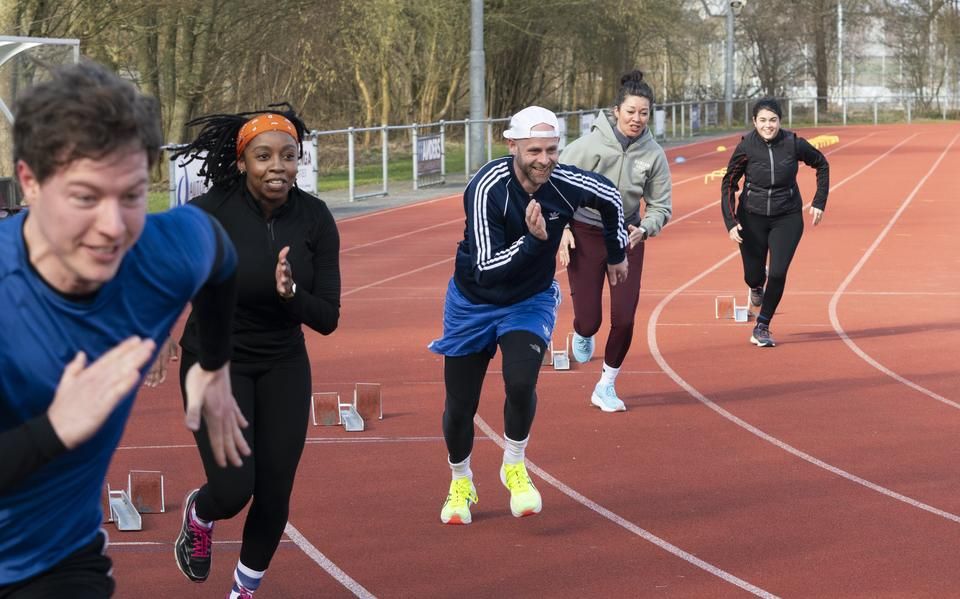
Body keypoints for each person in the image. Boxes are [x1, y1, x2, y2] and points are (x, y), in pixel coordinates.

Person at [0, 61, 249, 598]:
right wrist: (56, 430)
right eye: (86, 197)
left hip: (56, 563)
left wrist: (214, 363)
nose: (113, 227)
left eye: (132, 196)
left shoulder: (161, 251)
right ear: (30, 181)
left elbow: (218, 255)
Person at [168, 105, 341, 598]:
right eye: (263, 156)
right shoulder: (209, 214)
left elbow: (327, 318)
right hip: (215, 362)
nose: (277, 167)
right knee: (233, 489)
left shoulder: (314, 218)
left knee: (273, 492)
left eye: (288, 156)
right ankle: (200, 515)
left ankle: (243, 591)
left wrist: (292, 296)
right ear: (242, 161)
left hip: (283, 362)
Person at [428, 106, 629, 525]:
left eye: (552, 150)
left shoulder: (564, 182)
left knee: (521, 382)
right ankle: (460, 479)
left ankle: (514, 465)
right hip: (474, 302)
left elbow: (610, 196)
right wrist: (536, 244)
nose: (545, 159)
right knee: (461, 405)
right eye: (534, 150)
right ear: (512, 145)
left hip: (529, 301)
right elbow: (486, 265)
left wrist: (616, 252)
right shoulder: (487, 186)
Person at [558, 70, 672, 412]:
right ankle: (582, 330)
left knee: (624, 317)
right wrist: (562, 229)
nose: (637, 119)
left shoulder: (653, 155)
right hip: (586, 232)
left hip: (627, 236)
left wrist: (646, 228)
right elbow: (557, 189)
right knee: (590, 321)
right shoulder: (587, 147)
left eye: (644, 113)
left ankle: (606, 384)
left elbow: (662, 205)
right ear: (616, 111)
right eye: (631, 111)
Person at [720, 97, 829, 347]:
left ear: (780, 121)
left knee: (778, 272)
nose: (768, 125)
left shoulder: (793, 143)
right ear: (754, 122)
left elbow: (822, 164)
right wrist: (730, 220)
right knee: (752, 275)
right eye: (762, 121)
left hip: (787, 217)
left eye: (773, 120)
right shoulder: (746, 146)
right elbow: (729, 182)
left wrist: (819, 200)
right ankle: (756, 285)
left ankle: (763, 326)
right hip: (752, 217)